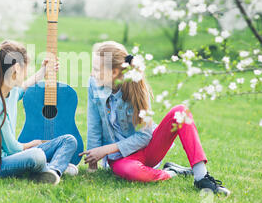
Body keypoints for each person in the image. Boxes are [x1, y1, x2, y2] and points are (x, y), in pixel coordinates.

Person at [80, 41, 230, 195]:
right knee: (130, 172)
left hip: (148, 149)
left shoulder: (136, 88)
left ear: (114, 73)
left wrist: (105, 149)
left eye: (97, 69)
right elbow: (94, 124)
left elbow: (144, 136)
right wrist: (93, 166)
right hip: (121, 159)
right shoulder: (94, 84)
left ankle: (201, 177)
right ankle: (172, 172)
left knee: (181, 112)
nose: (92, 73)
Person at [0, 40, 78, 185]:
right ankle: (52, 166)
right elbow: (12, 148)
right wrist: (31, 144)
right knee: (37, 155)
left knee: (69, 140)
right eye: (26, 68)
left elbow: (25, 87)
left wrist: (43, 71)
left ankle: (52, 171)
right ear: (16, 68)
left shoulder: (10, 92)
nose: (26, 73)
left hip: (13, 156)